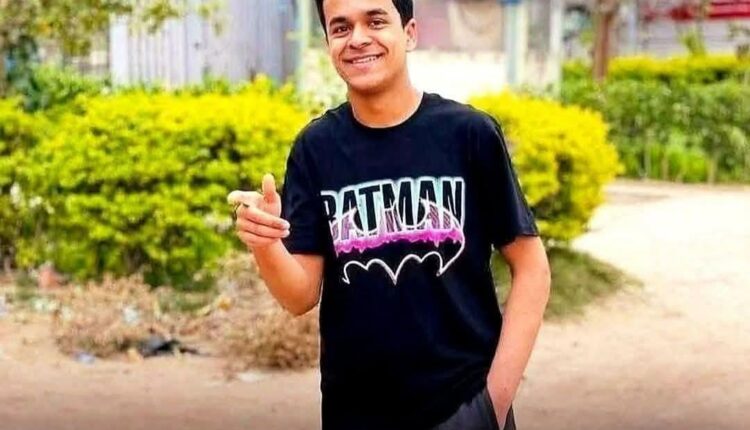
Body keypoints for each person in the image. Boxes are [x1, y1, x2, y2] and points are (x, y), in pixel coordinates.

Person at [228, 0, 550, 428]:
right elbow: (299, 296)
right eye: (341, 28)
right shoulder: (316, 148)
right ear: (328, 43)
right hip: (355, 413)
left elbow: (532, 268)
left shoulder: (468, 134)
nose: (358, 38)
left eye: (376, 21)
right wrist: (266, 243)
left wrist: (493, 404)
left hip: (464, 404)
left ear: (410, 33)